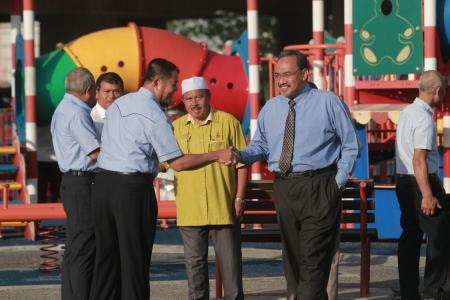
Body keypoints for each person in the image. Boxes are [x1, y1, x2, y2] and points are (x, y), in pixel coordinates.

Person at [90, 58, 238, 300]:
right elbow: (178, 163)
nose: (175, 90)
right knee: (134, 262)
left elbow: (130, 149)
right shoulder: (155, 115)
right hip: (131, 190)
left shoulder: (119, 103)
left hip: (104, 185)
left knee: (106, 261)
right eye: (173, 84)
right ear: (158, 82)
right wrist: (217, 154)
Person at [234, 50, 358, 299]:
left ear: (304, 74)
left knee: (313, 258)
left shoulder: (327, 102)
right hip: (284, 189)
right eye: (278, 75)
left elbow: (350, 145)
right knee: (294, 261)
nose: (281, 80)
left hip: (320, 186)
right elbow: (261, 146)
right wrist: (240, 155)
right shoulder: (271, 108)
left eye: (287, 74)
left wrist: (337, 183)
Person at [172, 76, 247, 300]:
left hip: (223, 206)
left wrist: (239, 198)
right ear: (183, 102)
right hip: (190, 208)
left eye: (199, 97)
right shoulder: (175, 128)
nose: (194, 103)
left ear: (209, 97)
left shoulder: (229, 122)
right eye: (189, 99)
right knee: (194, 267)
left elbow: (242, 164)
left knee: (231, 264)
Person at [395, 70, 450, 300]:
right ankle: (433, 290)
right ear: (437, 91)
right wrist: (428, 194)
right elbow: (419, 159)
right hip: (421, 182)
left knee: (410, 236)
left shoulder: (407, 112)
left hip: (403, 181)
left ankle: (409, 292)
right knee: (440, 235)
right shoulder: (424, 119)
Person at [50, 67, 100, 299]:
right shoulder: (77, 113)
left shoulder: (62, 109)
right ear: (89, 90)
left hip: (71, 181)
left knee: (74, 248)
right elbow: (95, 152)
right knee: (84, 248)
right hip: (83, 182)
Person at [90, 72, 124, 136]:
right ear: (97, 93)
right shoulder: (89, 119)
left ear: (122, 94)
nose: (111, 96)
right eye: (107, 91)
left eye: (116, 91)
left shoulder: (129, 117)